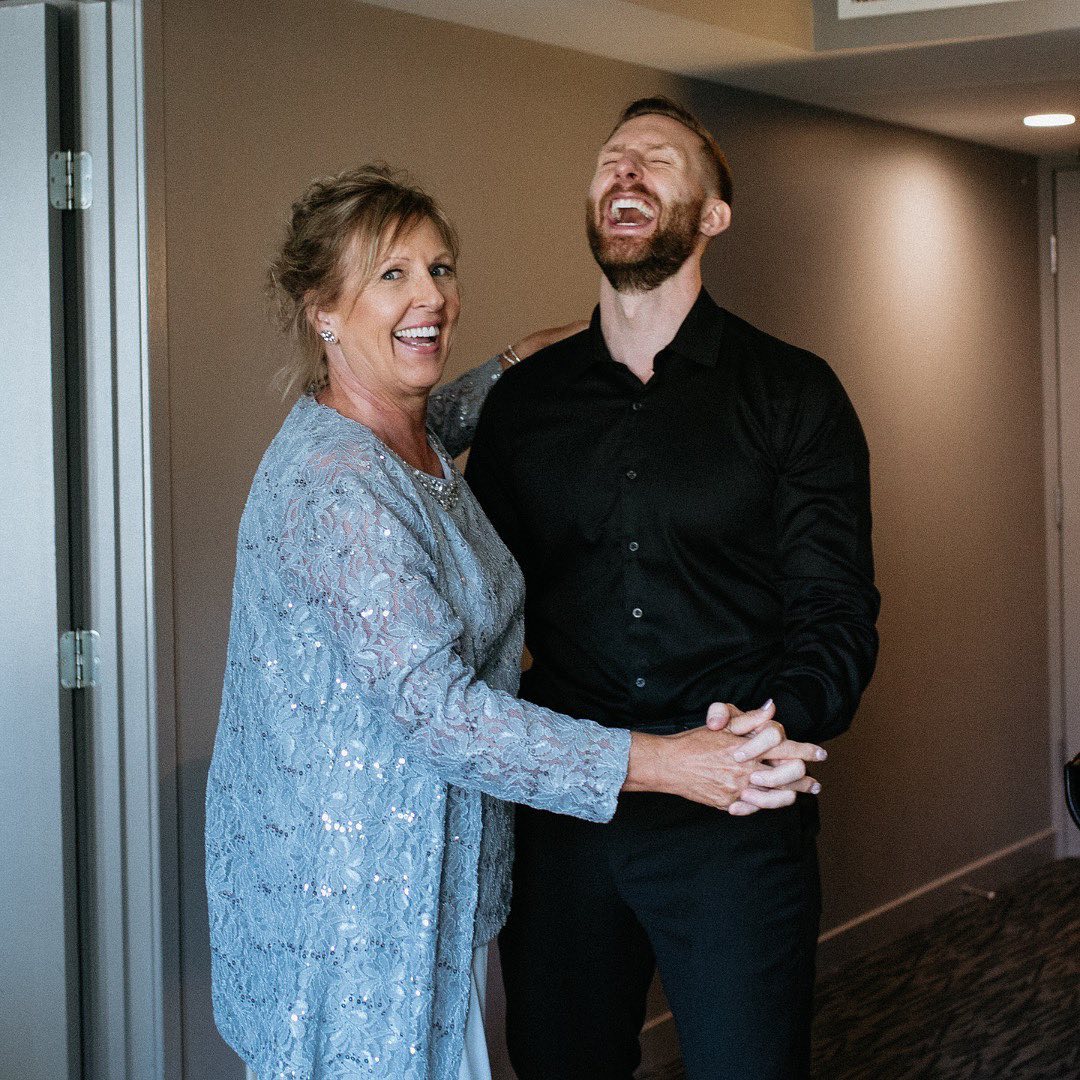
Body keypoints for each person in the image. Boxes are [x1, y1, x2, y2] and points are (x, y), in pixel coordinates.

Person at [204, 165, 827, 1080]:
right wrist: (667, 761)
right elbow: (442, 715)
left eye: (441, 269)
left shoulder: (400, 435)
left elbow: (425, 447)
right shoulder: (337, 489)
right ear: (321, 310)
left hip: (421, 883)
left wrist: (506, 371)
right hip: (351, 905)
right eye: (392, 275)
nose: (431, 297)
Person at [465, 98, 881, 1079]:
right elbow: (478, 610)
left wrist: (773, 731)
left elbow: (836, 612)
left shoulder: (795, 393)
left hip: (733, 815)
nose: (627, 172)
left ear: (714, 214)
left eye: (658, 159)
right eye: (612, 160)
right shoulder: (525, 407)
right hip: (568, 818)